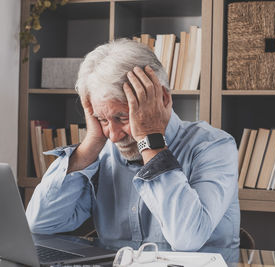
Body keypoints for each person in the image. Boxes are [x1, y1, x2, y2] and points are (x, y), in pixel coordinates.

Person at [26, 38, 240, 251]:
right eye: (102, 119)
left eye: (122, 117)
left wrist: (150, 137)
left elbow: (187, 238)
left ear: (162, 99)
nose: (114, 135)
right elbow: (40, 225)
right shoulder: (103, 153)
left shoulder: (214, 147)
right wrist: (91, 143)